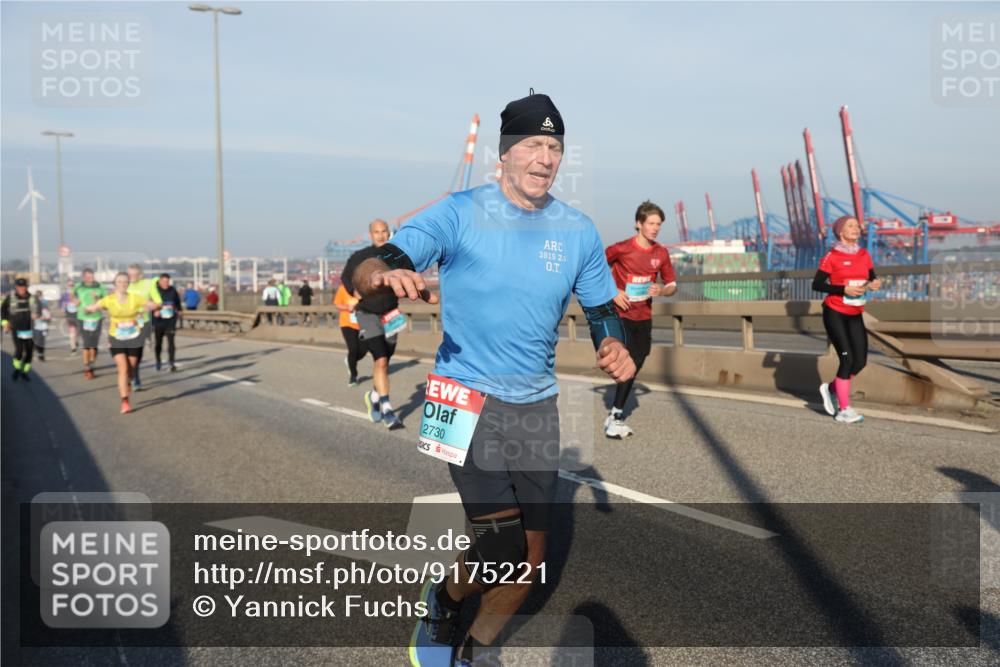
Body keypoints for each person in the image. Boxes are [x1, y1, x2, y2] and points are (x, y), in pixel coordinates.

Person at [349, 91, 635, 665]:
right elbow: (376, 263)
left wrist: (612, 342)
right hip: (458, 393)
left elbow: (602, 307)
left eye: (555, 146)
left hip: (535, 405)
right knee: (499, 543)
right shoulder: (458, 212)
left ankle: (471, 652)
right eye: (532, 143)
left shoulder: (576, 230)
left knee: (529, 562)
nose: (545, 156)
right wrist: (383, 274)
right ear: (503, 154)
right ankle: (445, 601)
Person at [602, 200, 677, 438]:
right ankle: (616, 415)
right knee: (629, 363)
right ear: (639, 224)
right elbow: (596, 268)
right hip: (621, 314)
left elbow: (672, 284)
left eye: (659, 224)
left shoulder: (661, 253)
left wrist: (662, 291)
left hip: (644, 316)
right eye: (651, 223)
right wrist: (614, 292)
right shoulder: (621, 249)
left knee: (640, 357)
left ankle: (616, 412)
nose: (655, 228)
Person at [813, 215, 882, 424]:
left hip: (855, 312)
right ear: (840, 231)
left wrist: (874, 283)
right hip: (835, 312)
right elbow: (817, 284)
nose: (856, 228)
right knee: (847, 359)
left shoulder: (864, 254)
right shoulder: (831, 256)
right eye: (850, 226)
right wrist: (843, 288)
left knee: (860, 361)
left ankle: (832, 388)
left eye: (857, 226)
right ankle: (843, 410)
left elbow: (872, 276)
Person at [341, 219, 405, 430]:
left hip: (392, 313)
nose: (380, 235)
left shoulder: (396, 255)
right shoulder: (360, 256)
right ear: (370, 234)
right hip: (367, 312)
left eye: (384, 231)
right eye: (376, 232)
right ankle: (387, 408)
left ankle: (374, 395)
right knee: (381, 360)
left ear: (389, 232)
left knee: (387, 357)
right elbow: (346, 277)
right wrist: (354, 292)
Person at [85, 272, 159, 414]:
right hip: (116, 337)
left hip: (134, 336)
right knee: (123, 368)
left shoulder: (135, 298)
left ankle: (129, 381)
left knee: (131, 367)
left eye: (125, 282)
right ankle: (125, 401)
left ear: (128, 284)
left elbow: (151, 304)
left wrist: (155, 306)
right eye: (119, 282)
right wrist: (87, 309)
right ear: (115, 284)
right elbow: (95, 306)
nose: (122, 284)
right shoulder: (109, 299)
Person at [126, 263, 163, 391]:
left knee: (137, 353)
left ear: (140, 275)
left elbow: (158, 301)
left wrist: (151, 306)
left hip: (143, 322)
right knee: (126, 352)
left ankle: (135, 376)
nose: (130, 277)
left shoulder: (148, 284)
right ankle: (131, 375)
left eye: (133, 275)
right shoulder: (124, 285)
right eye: (129, 274)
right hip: (126, 323)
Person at [73, 268, 107, 380]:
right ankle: (87, 367)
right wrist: (75, 301)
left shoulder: (100, 287)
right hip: (83, 317)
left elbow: (106, 301)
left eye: (91, 276)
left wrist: (97, 298)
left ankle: (92, 364)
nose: (89, 279)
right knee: (87, 343)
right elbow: (72, 295)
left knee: (94, 345)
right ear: (83, 277)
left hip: (96, 318)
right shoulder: (79, 286)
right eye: (87, 277)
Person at [2, 278, 38, 382]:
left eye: (24, 286)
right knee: (19, 351)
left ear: (26, 287)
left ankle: (24, 372)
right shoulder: (11, 297)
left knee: (29, 353)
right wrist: (5, 323)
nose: (22, 288)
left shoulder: (31, 298)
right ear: (16, 287)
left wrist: (38, 314)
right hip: (16, 328)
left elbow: (39, 309)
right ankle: (17, 369)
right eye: (19, 286)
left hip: (30, 329)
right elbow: (3, 310)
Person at [333, 283, 367, 386]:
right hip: (347, 324)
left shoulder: (364, 288)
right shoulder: (343, 288)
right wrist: (348, 307)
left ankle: (349, 360)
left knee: (364, 349)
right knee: (353, 349)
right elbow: (337, 304)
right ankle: (353, 376)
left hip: (363, 323)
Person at [152, 273, 182, 372]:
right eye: (163, 281)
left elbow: (177, 303)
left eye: (167, 281)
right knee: (158, 343)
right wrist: (154, 311)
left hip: (170, 320)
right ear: (159, 281)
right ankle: (158, 360)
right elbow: (150, 304)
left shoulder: (173, 290)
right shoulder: (155, 291)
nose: (165, 283)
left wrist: (179, 310)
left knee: (171, 342)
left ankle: (171, 363)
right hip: (159, 321)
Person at [32, 290, 52, 362]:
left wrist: (47, 318)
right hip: (36, 325)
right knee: (37, 339)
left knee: (42, 340)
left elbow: (48, 315)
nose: (38, 298)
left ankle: (41, 354)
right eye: (37, 296)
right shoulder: (33, 304)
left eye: (39, 296)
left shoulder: (44, 303)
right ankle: (39, 353)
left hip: (43, 326)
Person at [60, 279, 79, 353]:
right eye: (69, 285)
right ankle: (73, 347)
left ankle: (75, 341)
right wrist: (62, 308)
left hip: (77, 313)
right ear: (67, 286)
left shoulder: (77, 293)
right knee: (72, 330)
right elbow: (61, 303)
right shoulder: (64, 295)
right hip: (69, 314)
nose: (71, 287)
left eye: (72, 285)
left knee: (77, 331)